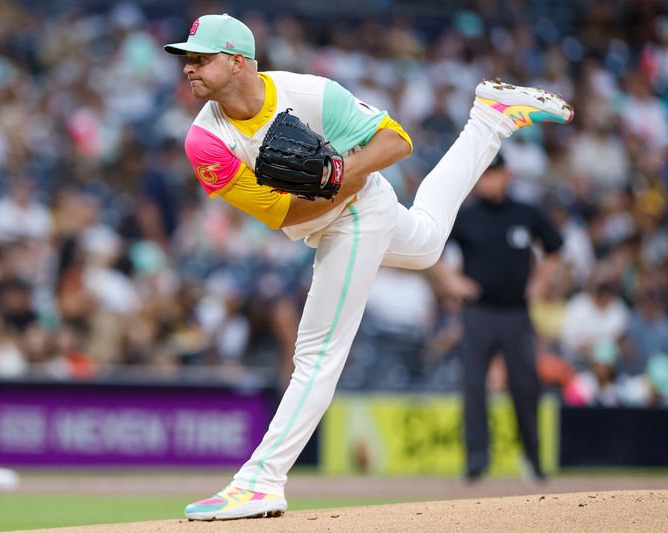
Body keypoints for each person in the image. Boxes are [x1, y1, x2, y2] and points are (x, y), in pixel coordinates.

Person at [163, 14, 572, 520]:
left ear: (238, 61)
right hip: (324, 215)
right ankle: (491, 118)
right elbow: (281, 213)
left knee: (317, 353)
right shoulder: (205, 142)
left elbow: (397, 142)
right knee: (425, 244)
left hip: (357, 212)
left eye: (201, 58)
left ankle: (260, 482)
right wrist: (334, 183)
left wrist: (339, 174)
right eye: (188, 59)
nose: (190, 68)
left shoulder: (310, 95)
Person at [429, 153, 564, 483]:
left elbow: (555, 248)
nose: (489, 181)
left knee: (525, 385)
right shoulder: (467, 215)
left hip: (517, 312)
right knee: (473, 385)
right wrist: (451, 280)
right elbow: (428, 249)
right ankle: (476, 461)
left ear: (507, 174)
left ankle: (533, 459)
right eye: (484, 175)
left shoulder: (525, 213)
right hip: (479, 311)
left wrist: (540, 281)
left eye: (494, 173)